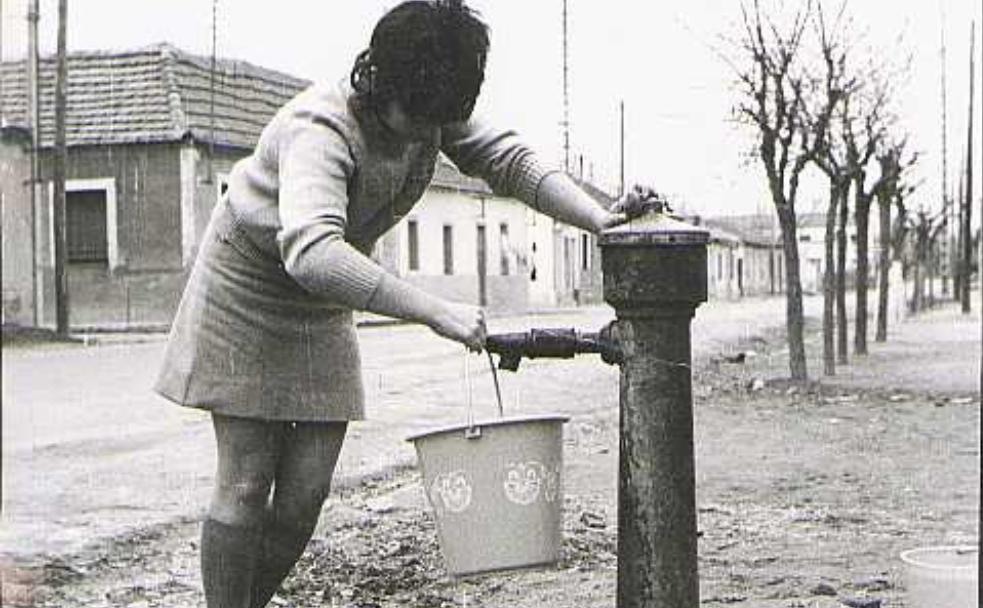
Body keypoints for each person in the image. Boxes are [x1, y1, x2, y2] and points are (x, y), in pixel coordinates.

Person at [154, 1, 626, 606]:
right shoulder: (319, 129)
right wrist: (435, 310)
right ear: (379, 82)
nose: (430, 136)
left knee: (303, 497)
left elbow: (510, 162)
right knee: (246, 484)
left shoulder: (428, 105)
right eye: (420, 120)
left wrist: (600, 220)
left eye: (441, 122)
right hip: (250, 289)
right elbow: (313, 251)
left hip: (323, 302)